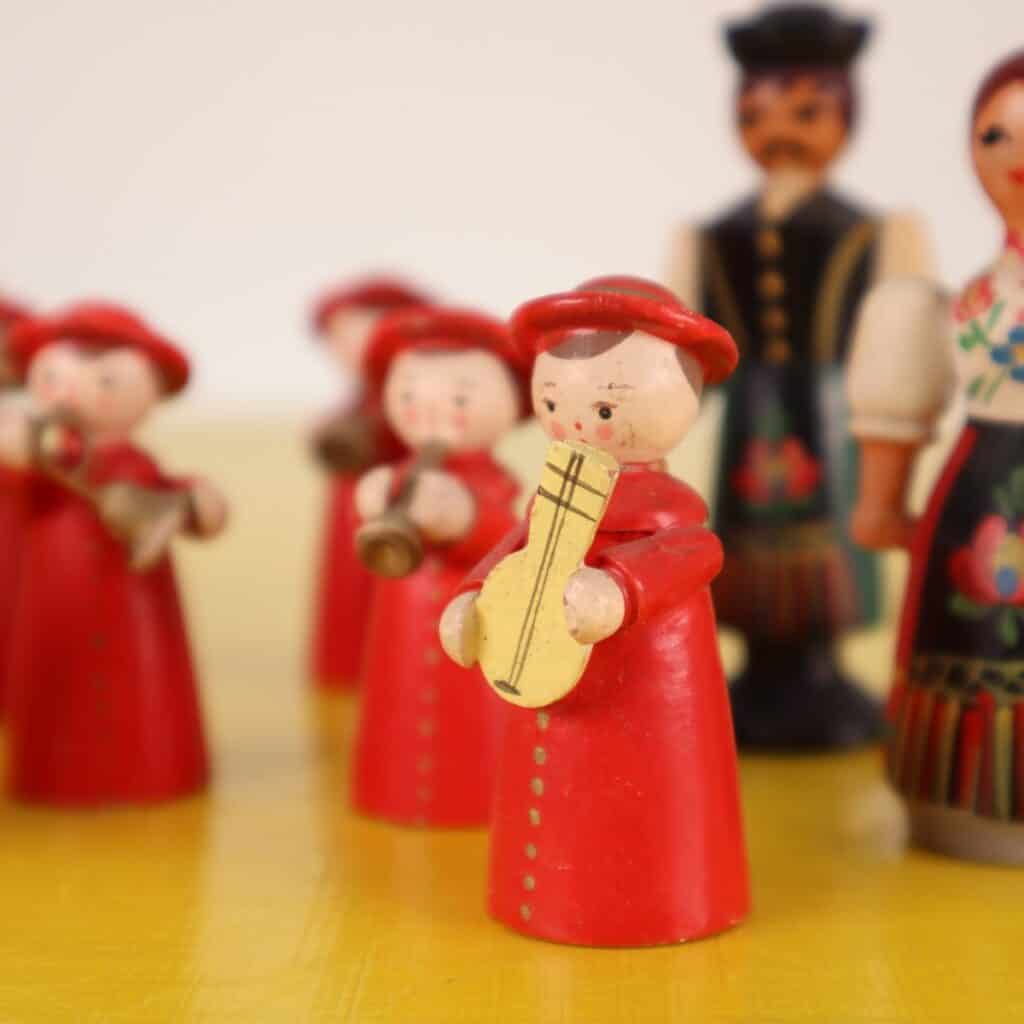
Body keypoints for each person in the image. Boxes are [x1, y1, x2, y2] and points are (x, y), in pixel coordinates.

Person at [440, 277, 749, 946]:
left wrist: (619, 590)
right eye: (554, 402)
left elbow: (696, 554)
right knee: (551, 791)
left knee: (645, 798)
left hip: (649, 696)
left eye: (606, 408)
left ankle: (659, 905)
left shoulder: (673, 511)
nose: (578, 423)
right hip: (545, 669)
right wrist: (472, 599)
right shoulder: (548, 500)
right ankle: (541, 901)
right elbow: (515, 548)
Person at [666, 3, 933, 749]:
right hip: (750, 411)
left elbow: (903, 341)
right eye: (755, 113)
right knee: (746, 539)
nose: (779, 131)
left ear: (849, 115)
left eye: (807, 112)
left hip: (832, 412)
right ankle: (761, 663)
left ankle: (817, 662)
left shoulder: (870, 232)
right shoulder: (714, 236)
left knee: (829, 537)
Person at [848, 51, 1024, 863]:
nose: (1017, 154)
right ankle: (959, 798)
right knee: (968, 648)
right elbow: (901, 393)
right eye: (995, 134)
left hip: (979, 500)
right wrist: (880, 502)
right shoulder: (959, 303)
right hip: (977, 503)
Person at [0, 302, 228, 804]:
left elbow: (202, 507)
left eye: (105, 380)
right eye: (52, 376)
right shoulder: (40, 455)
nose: (71, 392)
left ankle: (157, 767)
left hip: (135, 601)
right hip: (58, 599)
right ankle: (54, 774)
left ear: (153, 391)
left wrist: (193, 503)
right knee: (58, 679)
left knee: (141, 678)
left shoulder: (134, 465)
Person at [351, 305, 526, 826]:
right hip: (402, 627)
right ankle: (388, 788)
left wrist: (464, 517)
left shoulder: (494, 482)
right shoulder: (402, 473)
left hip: (475, 622)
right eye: (408, 396)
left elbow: (509, 538)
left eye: (460, 398)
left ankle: (475, 795)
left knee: (473, 721)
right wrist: (373, 496)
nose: (428, 412)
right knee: (397, 705)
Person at [308, 276, 429, 691]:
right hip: (350, 512)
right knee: (349, 593)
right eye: (338, 337)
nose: (348, 348)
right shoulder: (357, 400)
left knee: (383, 596)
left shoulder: (403, 401)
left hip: (392, 512)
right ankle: (347, 668)